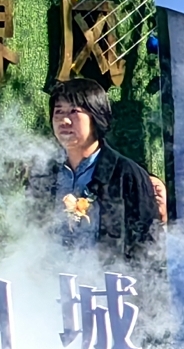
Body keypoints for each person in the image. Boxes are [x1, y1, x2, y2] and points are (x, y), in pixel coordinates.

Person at [31, 79, 157, 262]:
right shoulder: (44, 174)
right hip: (49, 277)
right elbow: (29, 232)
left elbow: (148, 244)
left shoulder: (127, 175)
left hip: (107, 278)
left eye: (74, 111)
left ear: (96, 117)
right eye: (58, 112)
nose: (64, 120)